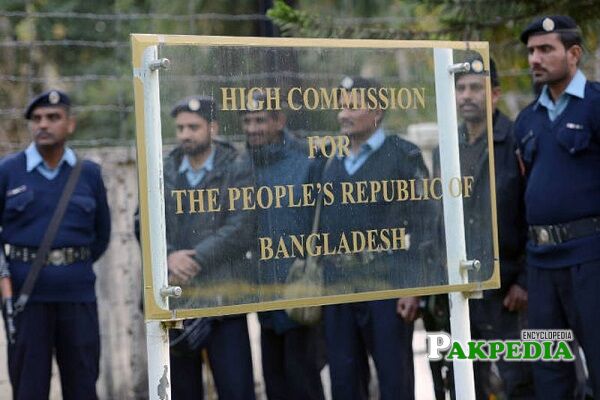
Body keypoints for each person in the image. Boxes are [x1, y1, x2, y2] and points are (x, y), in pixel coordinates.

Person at [429, 55, 534, 399]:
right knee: (465, 381)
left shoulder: (516, 141)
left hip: (509, 292)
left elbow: (533, 213)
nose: (466, 95)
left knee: (517, 380)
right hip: (462, 291)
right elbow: (438, 217)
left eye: (476, 87)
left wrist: (524, 281)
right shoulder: (446, 147)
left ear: (495, 94)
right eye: (459, 88)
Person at [318, 76, 429, 400]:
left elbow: (423, 223)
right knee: (344, 383)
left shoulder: (403, 155)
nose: (343, 114)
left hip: (388, 284)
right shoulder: (330, 160)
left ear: (377, 111)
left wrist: (414, 288)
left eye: (353, 106)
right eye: (341, 106)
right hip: (340, 287)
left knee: (395, 382)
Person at [0, 90, 111, 399]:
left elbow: (102, 235)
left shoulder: (88, 174)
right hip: (26, 298)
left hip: (78, 296)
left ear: (70, 124)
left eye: (53, 117)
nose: (43, 125)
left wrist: (69, 264)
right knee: (29, 388)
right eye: (36, 119)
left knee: (83, 384)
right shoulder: (8, 171)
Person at [514, 15, 600, 399]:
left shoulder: (596, 106)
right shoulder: (526, 120)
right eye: (531, 50)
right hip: (541, 265)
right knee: (549, 373)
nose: (535, 58)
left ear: (574, 53)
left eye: (546, 49)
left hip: (590, 260)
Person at [163, 95, 256, 400]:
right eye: (180, 128)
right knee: (182, 392)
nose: (185, 135)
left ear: (212, 127)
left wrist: (195, 259)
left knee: (236, 389)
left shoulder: (237, 167)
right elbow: (144, 220)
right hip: (177, 302)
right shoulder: (164, 170)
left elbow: (241, 226)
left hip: (223, 300)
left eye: (193, 126)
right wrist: (168, 256)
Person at [239, 92, 325, 400]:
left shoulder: (307, 160)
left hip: (300, 291)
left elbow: (324, 223)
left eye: (260, 120)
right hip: (264, 294)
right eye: (247, 121)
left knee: (303, 382)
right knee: (274, 382)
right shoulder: (241, 165)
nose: (252, 128)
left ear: (280, 120)